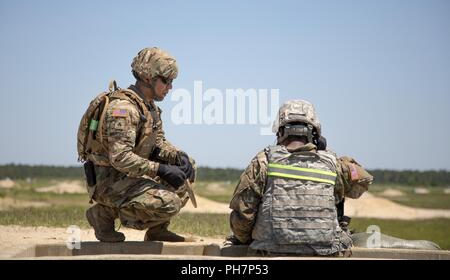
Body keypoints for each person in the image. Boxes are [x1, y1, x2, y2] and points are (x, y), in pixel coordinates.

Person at [79, 47, 196, 243]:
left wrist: (178, 156)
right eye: (166, 81)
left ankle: (157, 230)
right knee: (169, 203)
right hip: (109, 182)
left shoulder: (149, 107)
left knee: (186, 168)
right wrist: (160, 169)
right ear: (148, 78)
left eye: (172, 82)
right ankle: (103, 214)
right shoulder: (123, 109)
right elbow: (120, 157)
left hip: (130, 177)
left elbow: (157, 142)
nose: (170, 87)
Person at [228, 100, 373, 256]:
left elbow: (243, 215)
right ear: (315, 133)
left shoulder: (263, 161)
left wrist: (245, 239)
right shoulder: (333, 164)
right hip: (324, 254)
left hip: (270, 252)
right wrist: (333, 157)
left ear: (281, 132)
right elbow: (364, 181)